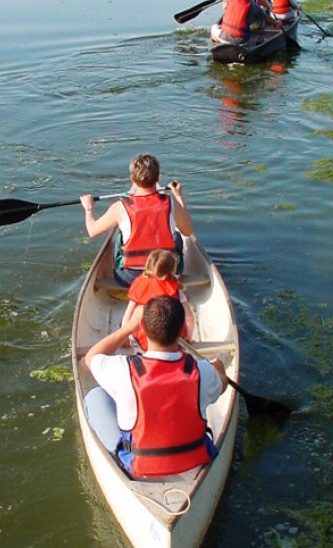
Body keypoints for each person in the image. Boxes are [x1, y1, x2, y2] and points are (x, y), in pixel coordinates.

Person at [84, 295, 228, 478]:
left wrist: (129, 327)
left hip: (140, 465)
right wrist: (219, 370)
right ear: (182, 330)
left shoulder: (123, 370)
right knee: (203, 396)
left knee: (95, 396)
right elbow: (222, 385)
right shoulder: (203, 371)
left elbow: (91, 357)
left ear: (142, 327)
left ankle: (120, 469)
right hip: (192, 461)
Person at [80, 153, 193, 287]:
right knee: (177, 236)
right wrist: (179, 197)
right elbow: (187, 230)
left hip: (129, 278)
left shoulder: (120, 207)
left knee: (119, 237)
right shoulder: (171, 202)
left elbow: (92, 231)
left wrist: (88, 208)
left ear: (132, 179)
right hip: (167, 274)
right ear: (158, 178)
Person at [121, 249, 196, 350]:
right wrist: (188, 337)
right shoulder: (176, 291)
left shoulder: (140, 286)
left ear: (147, 266)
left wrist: (125, 338)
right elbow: (189, 318)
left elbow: (127, 316)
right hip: (174, 342)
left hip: (144, 343)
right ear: (172, 270)